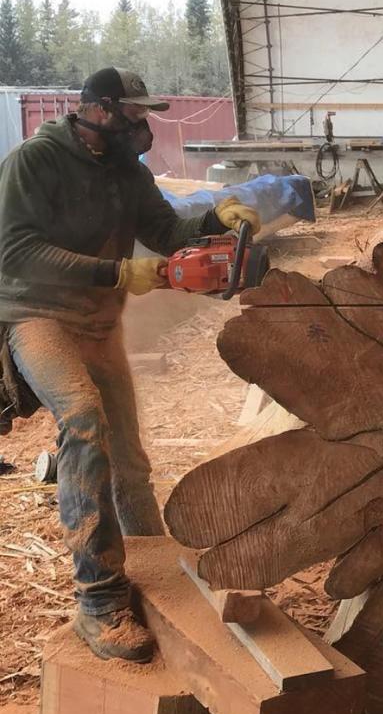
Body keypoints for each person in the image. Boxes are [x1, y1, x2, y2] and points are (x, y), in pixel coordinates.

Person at [0, 67, 260, 662]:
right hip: (35, 314)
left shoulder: (127, 171)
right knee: (85, 420)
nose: (144, 125)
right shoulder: (33, 163)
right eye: (135, 114)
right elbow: (16, 250)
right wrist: (116, 272)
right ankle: (97, 599)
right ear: (99, 110)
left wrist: (217, 220)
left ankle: (152, 566)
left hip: (96, 319)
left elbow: (165, 230)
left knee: (130, 459)